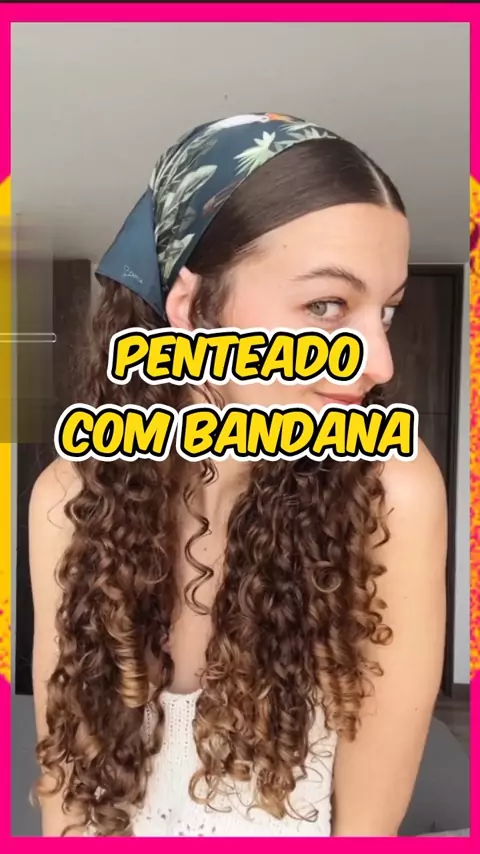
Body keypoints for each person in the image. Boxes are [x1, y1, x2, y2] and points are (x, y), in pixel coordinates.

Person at [29, 113, 447, 837]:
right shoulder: (70, 498)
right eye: (326, 306)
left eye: (385, 312)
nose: (378, 364)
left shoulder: (390, 494)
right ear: (191, 311)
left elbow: (367, 828)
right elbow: (68, 791)